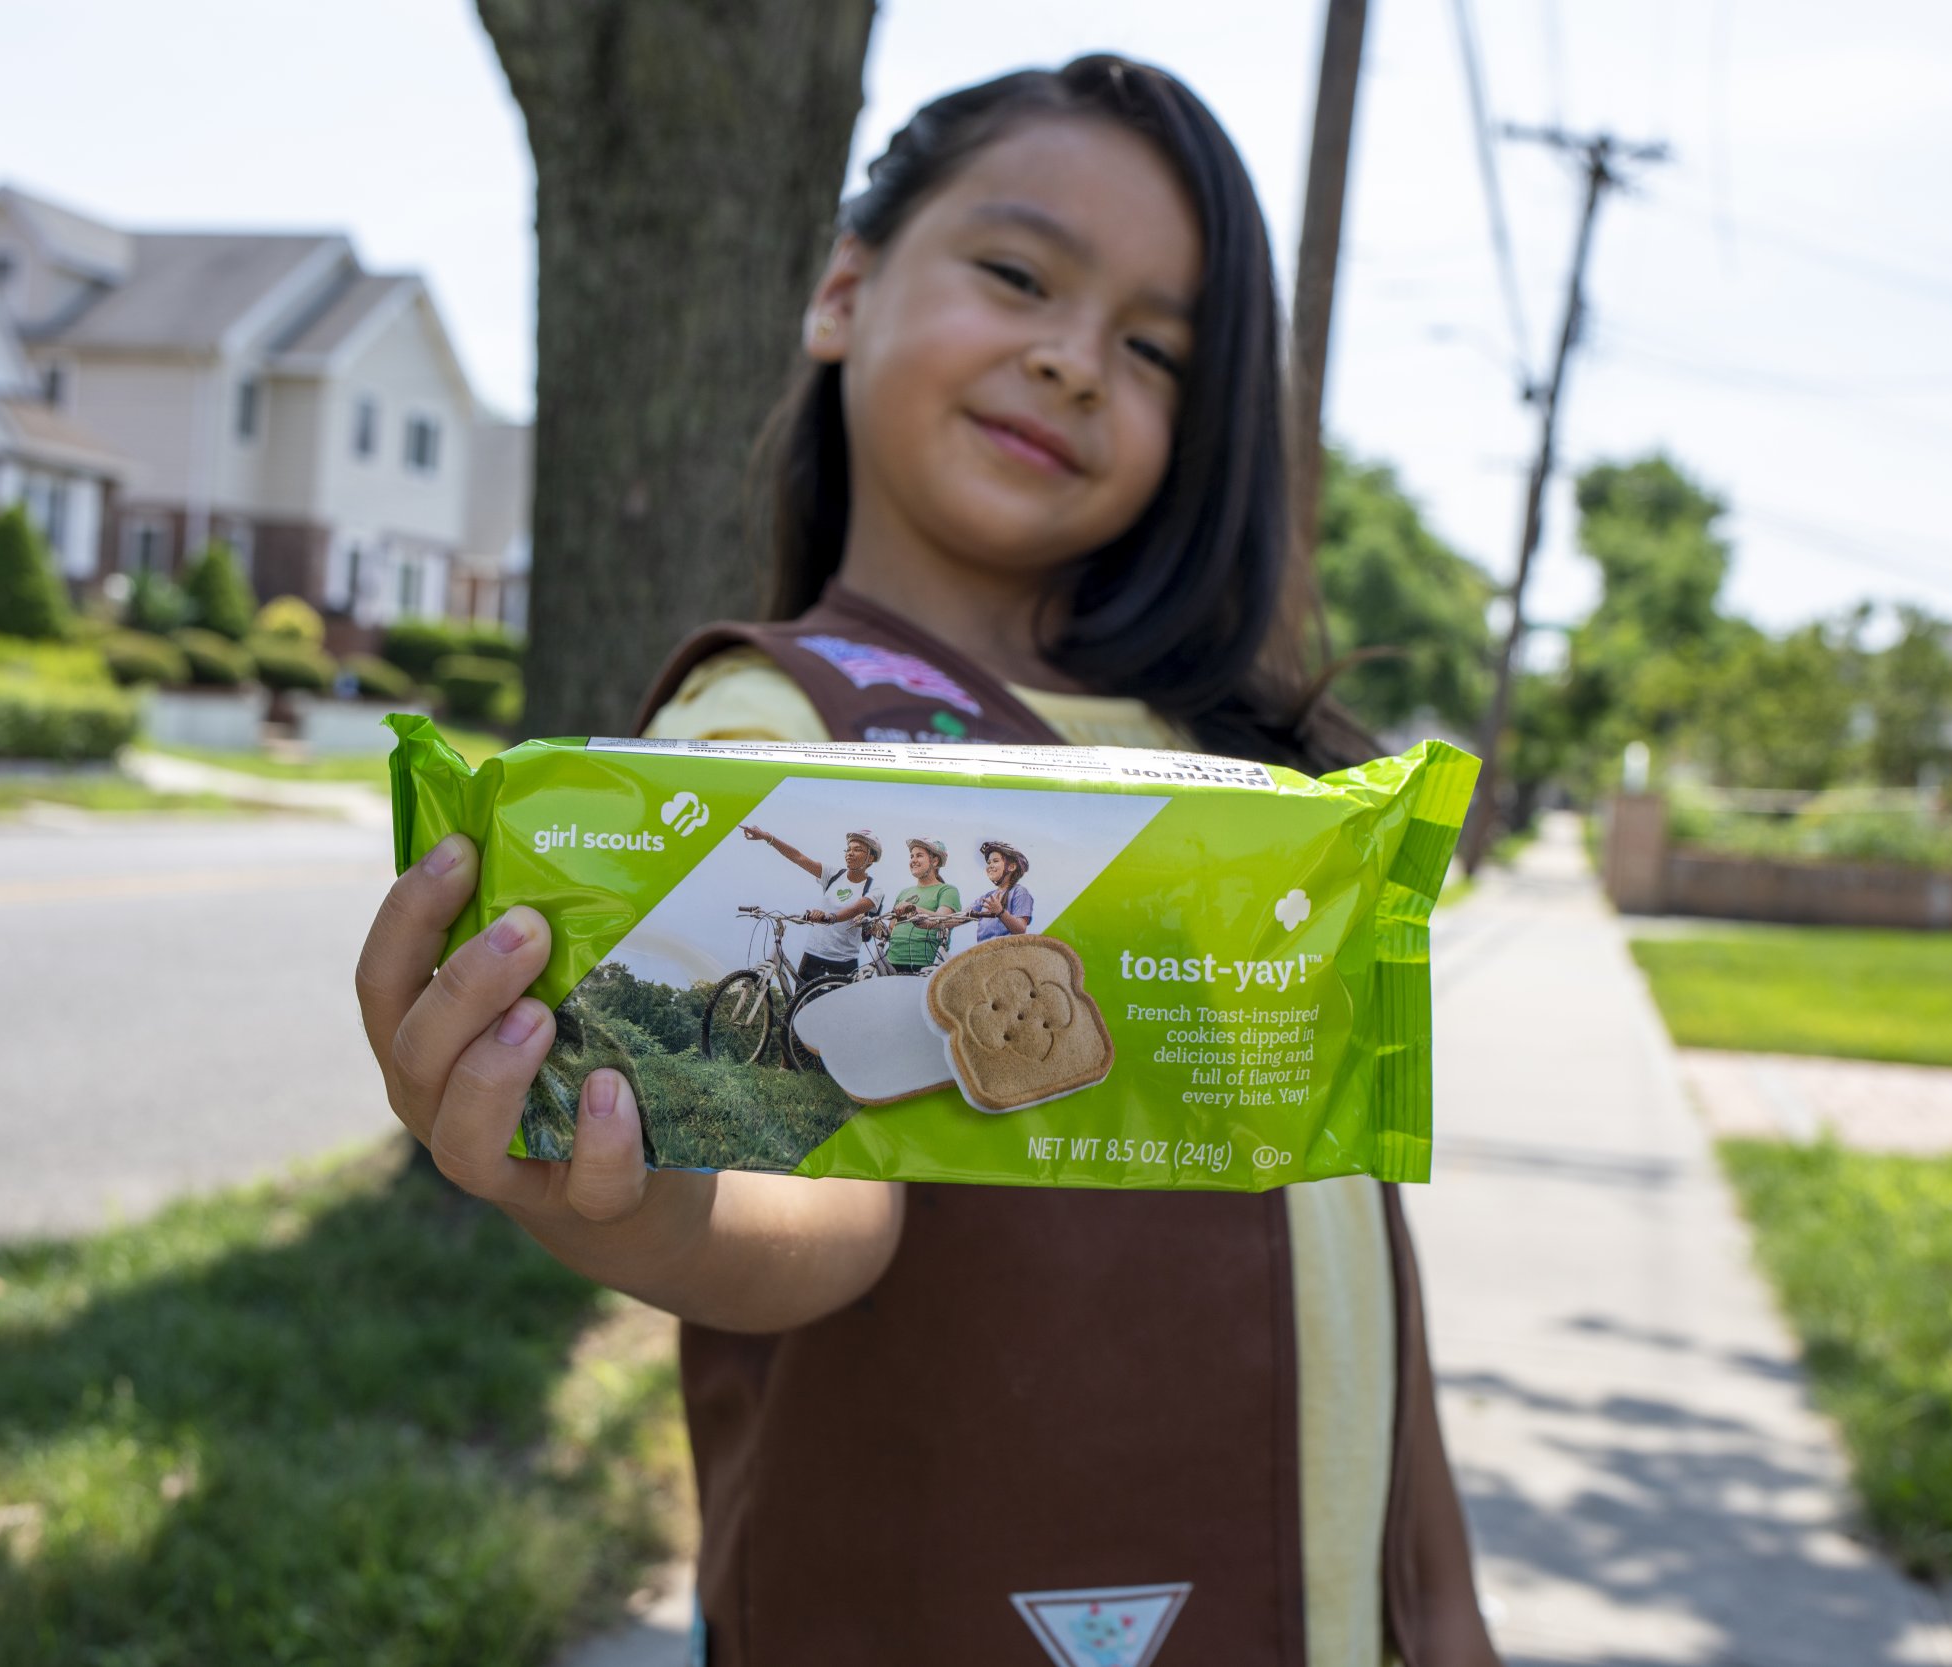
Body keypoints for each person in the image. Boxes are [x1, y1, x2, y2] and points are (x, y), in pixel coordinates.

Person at [353, 54, 1497, 1666]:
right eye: (1019, 274)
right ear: (842, 287)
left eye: (1156, 348)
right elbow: (804, 1189)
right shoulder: (772, 730)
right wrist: (627, 1197)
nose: (1073, 360)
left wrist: (1440, 1611)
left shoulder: (1245, 768)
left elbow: (1356, 1228)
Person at [740, 822, 882, 983]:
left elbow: (855, 908)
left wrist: (829, 917)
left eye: (857, 850)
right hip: (812, 955)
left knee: (838, 1008)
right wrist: (767, 837)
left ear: (870, 858)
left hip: (843, 961)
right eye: (848, 849)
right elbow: (798, 857)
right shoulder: (833, 874)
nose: (850, 853)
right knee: (800, 1005)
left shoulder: (874, 888)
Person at [883, 837, 963, 971]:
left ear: (935, 861)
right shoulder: (904, 893)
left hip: (925, 965)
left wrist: (913, 908)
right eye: (911, 856)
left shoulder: (947, 890)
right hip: (891, 962)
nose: (913, 860)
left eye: (919, 856)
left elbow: (942, 919)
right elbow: (892, 929)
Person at [968, 838, 1035, 940]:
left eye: (995, 861)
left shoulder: (1019, 892)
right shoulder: (987, 897)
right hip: (985, 951)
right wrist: (935, 917)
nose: (990, 866)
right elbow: (960, 916)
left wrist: (1000, 912)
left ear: (1011, 867)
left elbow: (1020, 929)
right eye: (989, 862)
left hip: (1007, 951)